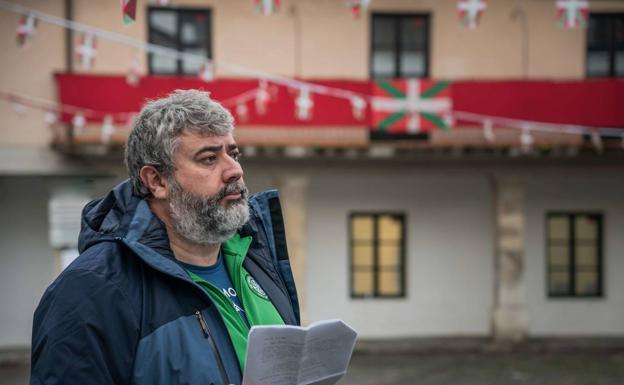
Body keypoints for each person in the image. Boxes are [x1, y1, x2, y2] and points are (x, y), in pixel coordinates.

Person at [30, 89, 300, 385]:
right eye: (209, 158)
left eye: (232, 153)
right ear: (156, 181)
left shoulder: (254, 255)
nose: (234, 170)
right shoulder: (90, 290)